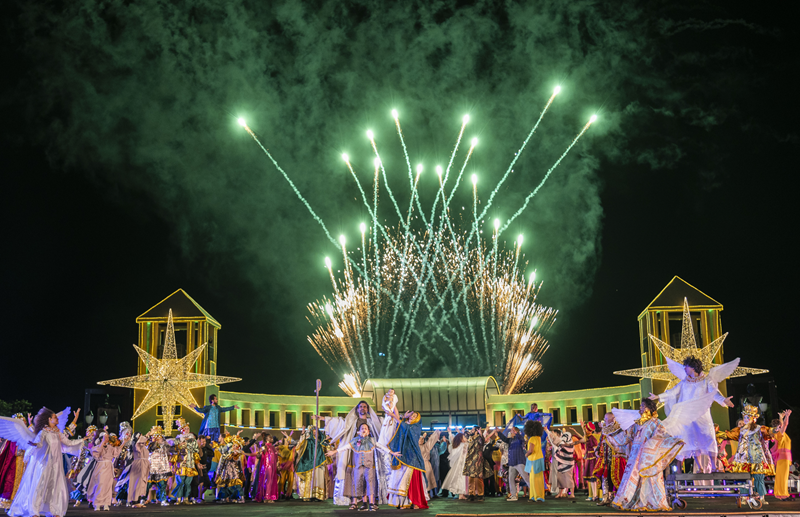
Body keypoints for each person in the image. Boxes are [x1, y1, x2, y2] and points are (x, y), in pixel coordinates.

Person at [606, 395, 709, 511]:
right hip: (635, 455)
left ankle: (649, 501)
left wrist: (674, 441)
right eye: (640, 406)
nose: (640, 408)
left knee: (649, 479)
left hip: (648, 456)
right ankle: (630, 500)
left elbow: (661, 436)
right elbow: (626, 436)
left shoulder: (656, 423)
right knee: (632, 477)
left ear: (649, 408)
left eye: (643, 405)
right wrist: (611, 436)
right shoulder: (636, 424)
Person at [648, 355, 737, 476]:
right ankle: (700, 468)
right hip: (688, 415)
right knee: (692, 440)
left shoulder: (706, 380)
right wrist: (658, 397)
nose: (684, 368)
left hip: (702, 414)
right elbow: (673, 391)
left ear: (693, 367)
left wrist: (723, 400)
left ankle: (715, 466)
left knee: (709, 438)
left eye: (686, 366)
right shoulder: (685, 381)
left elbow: (713, 393)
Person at [0, 406, 87, 517]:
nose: (57, 419)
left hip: (56, 465)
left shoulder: (58, 433)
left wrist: (82, 440)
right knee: (40, 487)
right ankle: (34, 511)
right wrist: (34, 444)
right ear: (49, 419)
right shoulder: (43, 432)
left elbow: (68, 443)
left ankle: (53, 510)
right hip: (45, 464)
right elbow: (39, 444)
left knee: (54, 487)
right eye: (55, 417)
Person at [316, 400, 385, 506]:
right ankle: (354, 501)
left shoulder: (373, 422)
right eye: (360, 406)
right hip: (354, 453)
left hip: (370, 455)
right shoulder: (352, 421)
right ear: (357, 409)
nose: (362, 408)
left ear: (367, 409)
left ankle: (370, 501)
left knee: (370, 478)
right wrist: (323, 418)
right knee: (354, 476)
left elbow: (384, 427)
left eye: (364, 407)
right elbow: (339, 423)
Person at [327, 423, 400, 511]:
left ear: (368, 431)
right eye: (362, 428)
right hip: (358, 466)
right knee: (360, 484)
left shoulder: (372, 441)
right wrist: (334, 452)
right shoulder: (355, 441)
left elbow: (381, 447)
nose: (364, 430)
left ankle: (372, 503)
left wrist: (392, 453)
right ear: (359, 431)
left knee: (370, 483)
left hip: (368, 466)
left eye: (365, 428)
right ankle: (364, 503)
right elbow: (345, 447)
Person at [717, 404, 775, 505]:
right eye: (745, 417)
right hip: (743, 458)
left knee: (759, 478)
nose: (746, 419)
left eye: (748, 417)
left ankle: (761, 498)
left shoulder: (759, 428)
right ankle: (744, 497)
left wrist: (778, 427)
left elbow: (770, 432)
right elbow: (728, 435)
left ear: (753, 418)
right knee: (743, 478)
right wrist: (715, 433)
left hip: (756, 457)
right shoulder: (740, 430)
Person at [387, 411, 430, 509]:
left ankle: (415, 502)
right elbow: (400, 431)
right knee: (401, 479)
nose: (412, 417)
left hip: (413, 457)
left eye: (415, 416)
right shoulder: (405, 424)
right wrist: (401, 419)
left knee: (412, 480)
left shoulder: (416, 427)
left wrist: (395, 416)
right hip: (403, 455)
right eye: (411, 415)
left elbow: (407, 429)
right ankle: (403, 503)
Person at [87, 431, 127, 511]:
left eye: (108, 437)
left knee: (108, 485)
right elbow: (96, 453)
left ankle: (106, 503)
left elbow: (117, 451)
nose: (108, 439)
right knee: (100, 484)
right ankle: (97, 504)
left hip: (109, 466)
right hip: (101, 467)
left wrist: (124, 442)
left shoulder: (110, 447)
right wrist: (102, 442)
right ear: (102, 438)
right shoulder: (97, 447)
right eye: (106, 437)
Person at [593, 412, 626, 506]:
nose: (605, 420)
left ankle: (616, 499)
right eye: (605, 418)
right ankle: (605, 498)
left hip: (616, 458)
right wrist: (597, 451)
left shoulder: (618, 429)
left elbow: (622, 442)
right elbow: (601, 441)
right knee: (605, 478)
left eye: (606, 419)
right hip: (605, 458)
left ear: (613, 419)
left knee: (616, 477)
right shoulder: (604, 429)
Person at [294, 426, 329, 501]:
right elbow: (299, 446)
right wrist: (302, 434)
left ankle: (318, 496)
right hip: (309, 463)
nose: (315, 433)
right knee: (311, 479)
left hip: (320, 462)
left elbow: (328, 448)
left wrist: (327, 442)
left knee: (319, 479)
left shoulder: (322, 440)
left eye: (316, 431)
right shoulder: (308, 441)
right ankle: (308, 495)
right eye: (313, 431)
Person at [463, 425, 496, 502]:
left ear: (476, 431)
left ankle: (481, 495)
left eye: (473, 430)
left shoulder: (479, 439)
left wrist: (481, 433)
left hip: (478, 461)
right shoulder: (470, 439)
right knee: (471, 478)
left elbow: (482, 440)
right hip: (470, 461)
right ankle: (472, 494)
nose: (471, 431)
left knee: (478, 478)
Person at [497, 422, 528, 501]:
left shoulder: (519, 439)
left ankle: (535, 494)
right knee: (511, 479)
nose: (510, 431)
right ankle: (513, 495)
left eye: (512, 430)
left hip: (519, 461)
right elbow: (504, 439)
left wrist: (516, 433)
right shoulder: (511, 440)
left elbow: (522, 439)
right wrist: (498, 432)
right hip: (512, 462)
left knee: (526, 478)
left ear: (516, 431)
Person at [771, 410, 792, 500]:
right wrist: (787, 416)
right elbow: (784, 425)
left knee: (781, 476)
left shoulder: (779, 434)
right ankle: (783, 494)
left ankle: (781, 493)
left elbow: (783, 425)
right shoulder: (779, 434)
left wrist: (781, 417)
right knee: (783, 476)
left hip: (782, 457)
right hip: (783, 457)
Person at [440, 429, 467, 498]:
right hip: (462, 464)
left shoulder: (461, 445)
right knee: (461, 478)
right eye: (464, 437)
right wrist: (451, 433)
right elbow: (453, 440)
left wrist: (452, 432)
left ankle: (462, 493)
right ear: (461, 439)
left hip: (461, 463)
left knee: (460, 478)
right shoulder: (462, 445)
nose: (466, 438)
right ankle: (461, 493)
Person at [126, 432, 150, 507]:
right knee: (137, 482)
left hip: (144, 464)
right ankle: (135, 501)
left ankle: (138, 500)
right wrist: (146, 435)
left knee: (142, 482)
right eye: (141, 436)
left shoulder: (142, 446)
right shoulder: (136, 444)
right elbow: (138, 445)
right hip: (139, 464)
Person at [524, 420, 546, 502]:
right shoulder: (538, 438)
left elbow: (531, 450)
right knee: (538, 478)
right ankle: (537, 496)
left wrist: (526, 454)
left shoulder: (532, 438)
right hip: (539, 459)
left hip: (533, 460)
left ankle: (535, 496)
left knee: (533, 479)